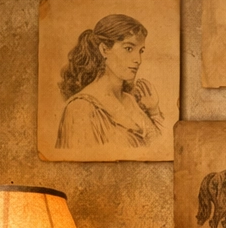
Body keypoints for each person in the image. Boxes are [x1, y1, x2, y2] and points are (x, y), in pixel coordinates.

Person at [56, 14, 162, 150]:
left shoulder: (130, 100)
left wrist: (154, 111)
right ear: (104, 50)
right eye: (129, 48)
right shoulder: (80, 109)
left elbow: (161, 149)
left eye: (140, 51)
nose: (138, 60)